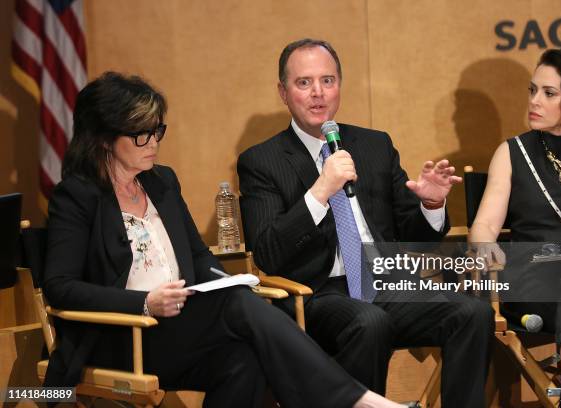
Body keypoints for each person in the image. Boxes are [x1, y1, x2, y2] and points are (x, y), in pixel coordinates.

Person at [43, 71, 408, 408]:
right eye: (141, 133)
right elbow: (60, 287)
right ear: (105, 139)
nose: (153, 142)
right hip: (123, 338)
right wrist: (144, 303)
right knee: (236, 306)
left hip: (182, 327)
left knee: (243, 359)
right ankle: (359, 402)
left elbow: (201, 260)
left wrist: (232, 282)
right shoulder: (77, 196)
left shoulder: (161, 182)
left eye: (157, 131)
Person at [238, 38, 494, 408]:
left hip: (386, 282)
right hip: (316, 294)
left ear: (340, 84)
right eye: (304, 83)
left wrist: (431, 203)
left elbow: (414, 235)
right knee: (369, 322)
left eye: (328, 81)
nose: (318, 93)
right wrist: (321, 190)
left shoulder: (374, 145)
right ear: (283, 91)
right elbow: (269, 252)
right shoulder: (261, 161)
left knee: (473, 313)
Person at [469, 48, 561, 408]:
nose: (534, 101)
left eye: (549, 94)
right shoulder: (512, 152)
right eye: (533, 90)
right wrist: (484, 250)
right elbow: (485, 224)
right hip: (535, 280)